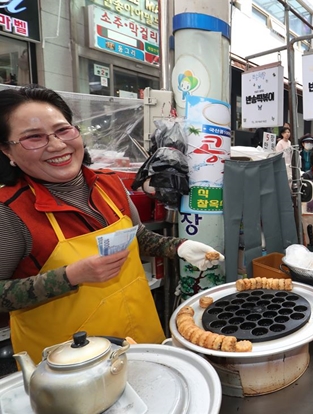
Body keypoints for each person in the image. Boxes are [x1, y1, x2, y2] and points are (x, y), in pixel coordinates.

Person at [0, 85, 224, 363]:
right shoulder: (9, 212)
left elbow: (137, 237)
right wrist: (70, 276)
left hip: (139, 338)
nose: (57, 145)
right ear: (6, 150)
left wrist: (179, 247)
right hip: (70, 367)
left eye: (63, 130)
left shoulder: (108, 183)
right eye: (33, 138)